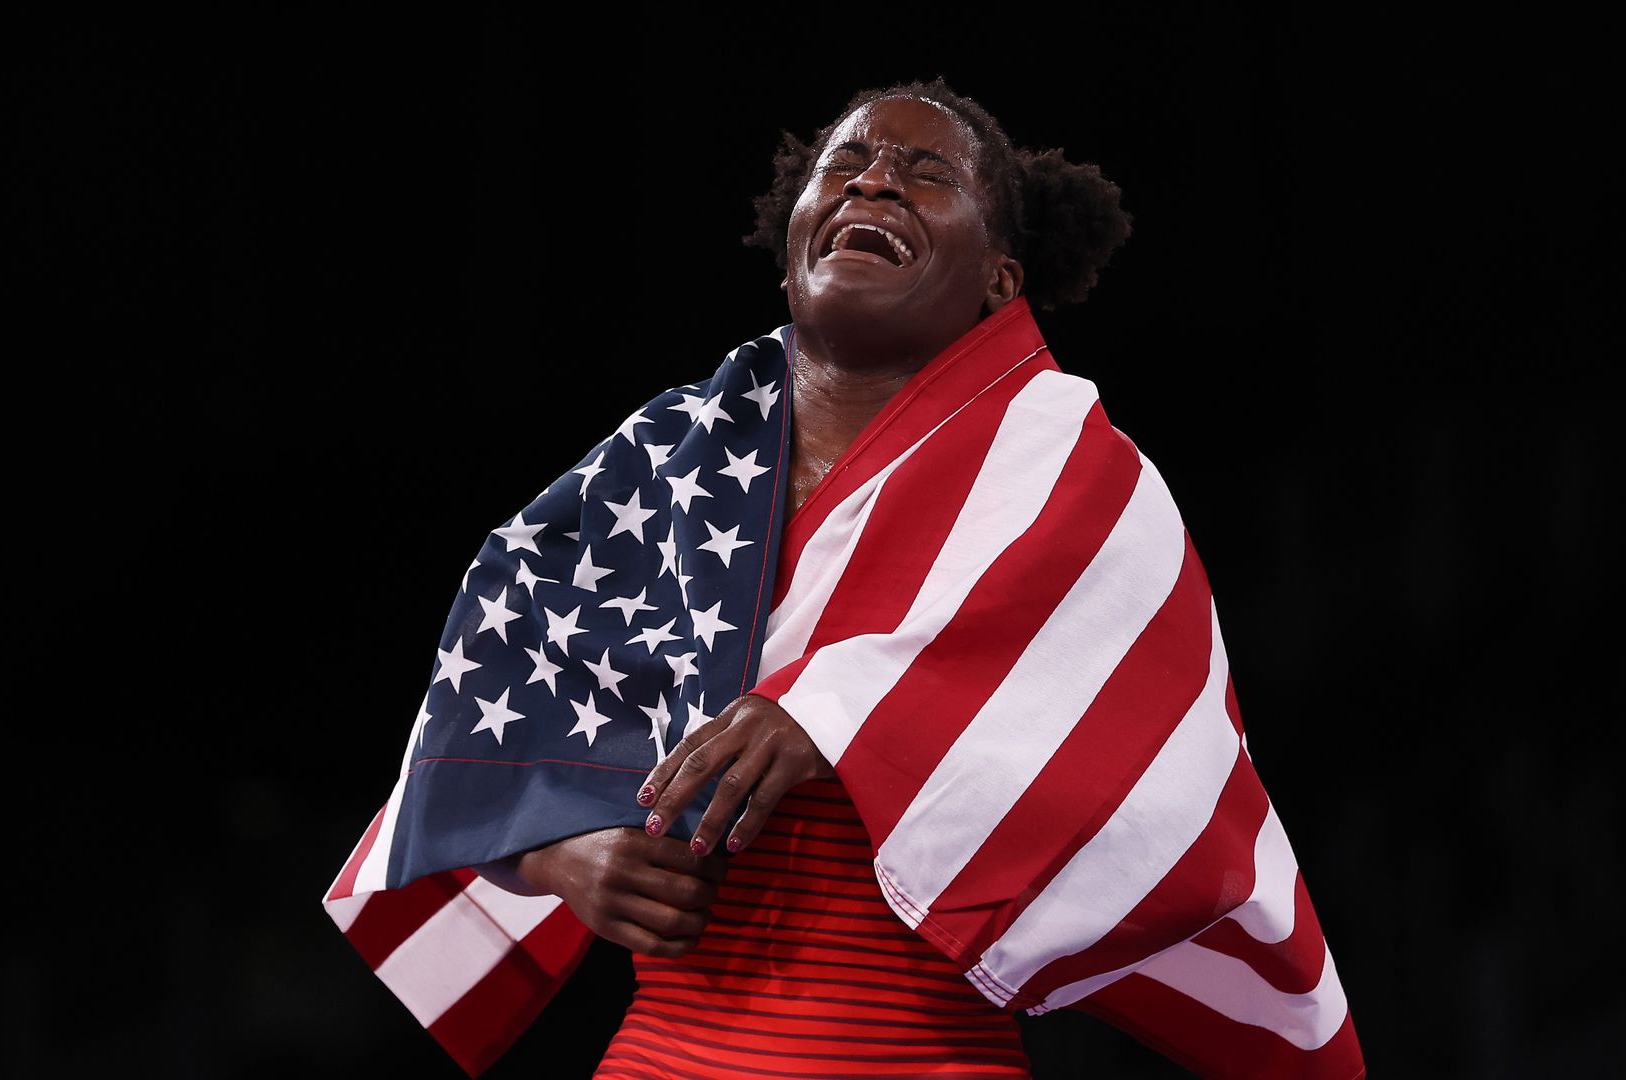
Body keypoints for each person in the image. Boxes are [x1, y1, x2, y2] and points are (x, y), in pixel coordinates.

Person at [326, 78, 1364, 1080]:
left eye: (924, 173)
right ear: (792, 248)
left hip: (912, 1048)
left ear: (1001, 277)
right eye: (848, 164)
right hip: (668, 1049)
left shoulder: (1075, 474)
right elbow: (498, 670)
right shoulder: (670, 459)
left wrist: (833, 710)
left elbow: (1138, 761)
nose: (873, 184)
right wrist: (556, 853)